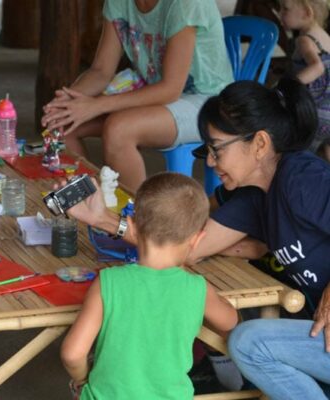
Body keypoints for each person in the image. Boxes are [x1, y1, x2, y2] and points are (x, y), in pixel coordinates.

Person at [66, 77, 330, 399]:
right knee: (249, 343)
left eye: (217, 149)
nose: (210, 161)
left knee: (250, 343)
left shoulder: (302, 177)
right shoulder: (253, 197)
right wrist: (104, 220)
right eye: (207, 150)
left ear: (259, 144)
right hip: (320, 330)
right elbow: (184, 244)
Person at [60, 172, 238, 399]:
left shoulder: (108, 282)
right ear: (197, 239)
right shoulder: (198, 289)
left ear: (132, 227)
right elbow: (230, 320)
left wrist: (82, 380)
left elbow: (73, 354)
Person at [41, 0, 233, 193]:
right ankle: (86, 201)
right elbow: (100, 71)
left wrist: (97, 105)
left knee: (119, 129)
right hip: (156, 94)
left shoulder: (185, 4)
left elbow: (170, 88)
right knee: (63, 125)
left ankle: (136, 218)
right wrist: (68, 104)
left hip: (207, 102)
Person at [280, 0, 330, 159]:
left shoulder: (304, 40)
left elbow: (317, 67)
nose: (280, 14)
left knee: (301, 156)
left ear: (307, 12)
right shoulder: (325, 36)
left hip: (315, 113)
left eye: (285, 9)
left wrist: (288, 84)